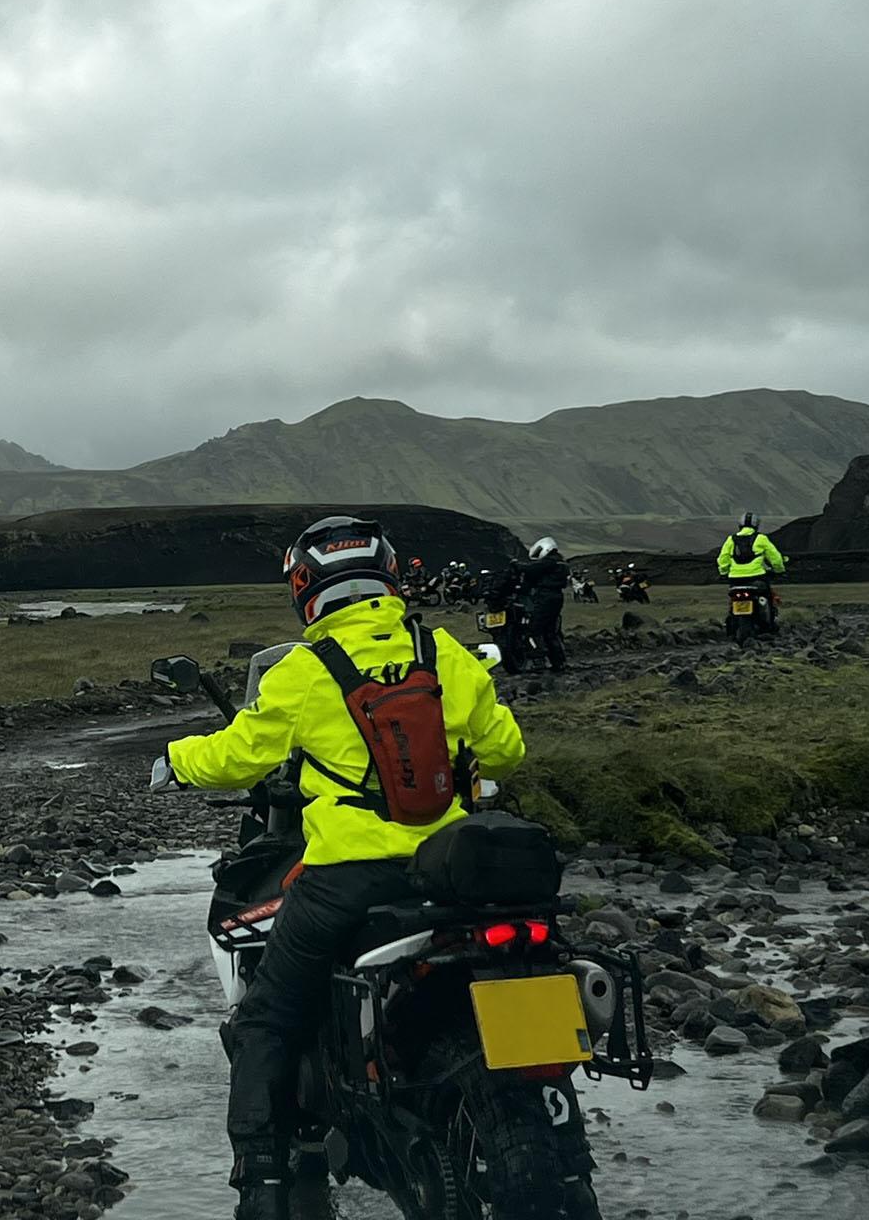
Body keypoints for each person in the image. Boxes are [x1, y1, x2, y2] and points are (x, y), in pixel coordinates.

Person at [156, 515, 525, 1220]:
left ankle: (264, 1180)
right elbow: (506, 751)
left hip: (345, 879)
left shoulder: (302, 671)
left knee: (266, 1016)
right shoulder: (445, 653)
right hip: (449, 873)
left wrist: (173, 761)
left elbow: (238, 755)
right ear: (388, 575)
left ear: (305, 587)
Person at [717, 512, 787, 625]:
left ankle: (730, 619)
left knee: (733, 599)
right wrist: (780, 570)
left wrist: (723, 572)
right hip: (757, 577)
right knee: (767, 595)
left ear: (740, 525)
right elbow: (775, 558)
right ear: (756, 525)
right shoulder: (761, 539)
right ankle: (770, 621)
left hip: (735, 579)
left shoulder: (731, 540)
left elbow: (723, 559)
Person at [513, 536, 570, 669]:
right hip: (555, 597)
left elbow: (531, 569)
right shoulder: (559, 562)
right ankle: (558, 662)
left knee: (534, 629)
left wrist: (516, 565)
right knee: (550, 631)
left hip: (546, 597)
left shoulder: (550, 562)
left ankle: (537, 659)